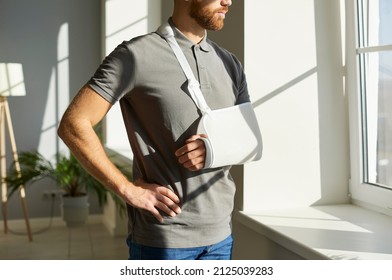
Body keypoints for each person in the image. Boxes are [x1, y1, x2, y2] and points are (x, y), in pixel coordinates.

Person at [58, 0, 250, 260]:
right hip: (163, 241)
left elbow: (248, 139)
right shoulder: (135, 55)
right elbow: (73, 123)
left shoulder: (230, 64)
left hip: (221, 236)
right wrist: (127, 190)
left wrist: (213, 149)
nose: (228, 1)